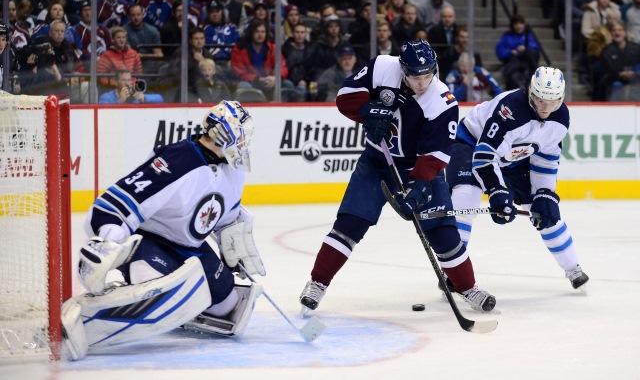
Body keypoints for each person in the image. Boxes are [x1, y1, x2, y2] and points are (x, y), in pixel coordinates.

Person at [298, 39, 497, 315]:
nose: (422, 83)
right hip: (376, 163)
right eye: (416, 77)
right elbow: (344, 97)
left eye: (427, 75)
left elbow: (435, 155)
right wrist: (367, 111)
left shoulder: (442, 100)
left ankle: (467, 287)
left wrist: (418, 187)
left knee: (443, 233)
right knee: (349, 224)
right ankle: (317, 283)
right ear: (403, 69)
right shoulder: (382, 67)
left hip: (418, 168)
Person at [61, 101, 264, 361]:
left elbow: (226, 216)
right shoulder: (177, 161)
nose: (244, 144)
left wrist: (235, 244)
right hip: (150, 240)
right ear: (224, 134)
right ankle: (95, 308)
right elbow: (117, 203)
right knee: (152, 286)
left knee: (228, 305)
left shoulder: (234, 171)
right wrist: (107, 240)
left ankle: (181, 306)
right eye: (241, 136)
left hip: (190, 247)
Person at [445, 67, 590, 292]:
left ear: (560, 99)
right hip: (471, 142)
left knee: (544, 211)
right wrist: (496, 190)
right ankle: (453, 274)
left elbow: (547, 157)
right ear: (531, 92)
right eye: (540, 100)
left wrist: (545, 192)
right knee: (467, 196)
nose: (544, 108)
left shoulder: (561, 118)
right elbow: (484, 157)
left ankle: (573, 268)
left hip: (513, 154)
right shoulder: (511, 110)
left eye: (551, 103)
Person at [495, 14, 541, 90]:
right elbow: (500, 51)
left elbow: (536, 48)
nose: (518, 26)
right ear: (512, 25)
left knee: (527, 73)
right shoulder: (507, 36)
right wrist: (510, 52)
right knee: (514, 76)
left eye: (521, 23)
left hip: (527, 63)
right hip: (513, 63)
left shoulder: (528, 35)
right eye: (516, 24)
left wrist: (525, 48)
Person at [99, 68, 163, 104]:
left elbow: (160, 98)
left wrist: (144, 98)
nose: (127, 83)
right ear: (116, 82)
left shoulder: (134, 93)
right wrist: (119, 101)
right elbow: (103, 115)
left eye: (129, 80)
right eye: (124, 80)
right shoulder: (106, 97)